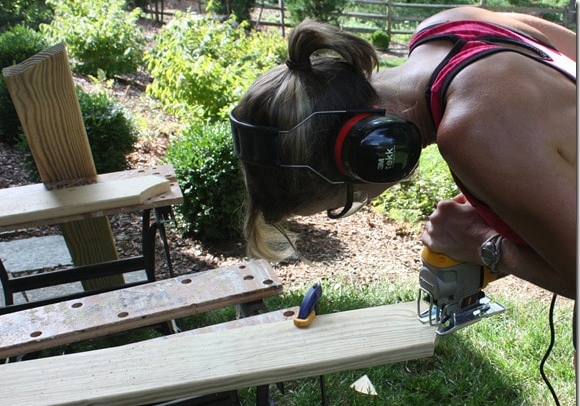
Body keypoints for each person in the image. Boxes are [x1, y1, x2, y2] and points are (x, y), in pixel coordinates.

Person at [229, 6, 576, 304]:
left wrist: (482, 243)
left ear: (368, 149)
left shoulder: (470, 130)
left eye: (350, 199)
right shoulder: (447, 26)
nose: (366, 198)